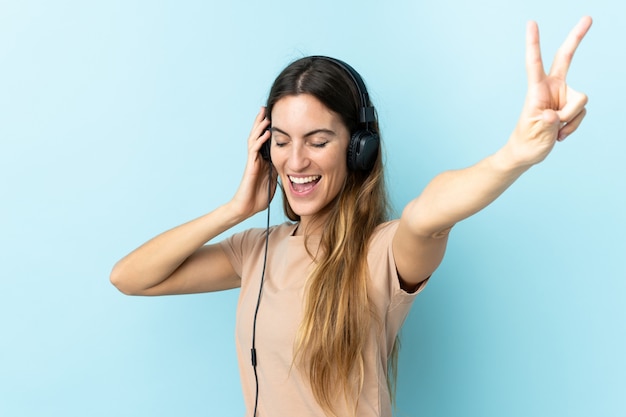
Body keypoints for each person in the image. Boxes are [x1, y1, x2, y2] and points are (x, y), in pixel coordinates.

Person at [110, 16, 592, 417]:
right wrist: (235, 210)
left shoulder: (381, 253)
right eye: (281, 141)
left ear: (359, 149)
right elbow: (129, 277)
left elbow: (428, 215)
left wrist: (513, 155)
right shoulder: (254, 252)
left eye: (318, 141)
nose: (296, 161)